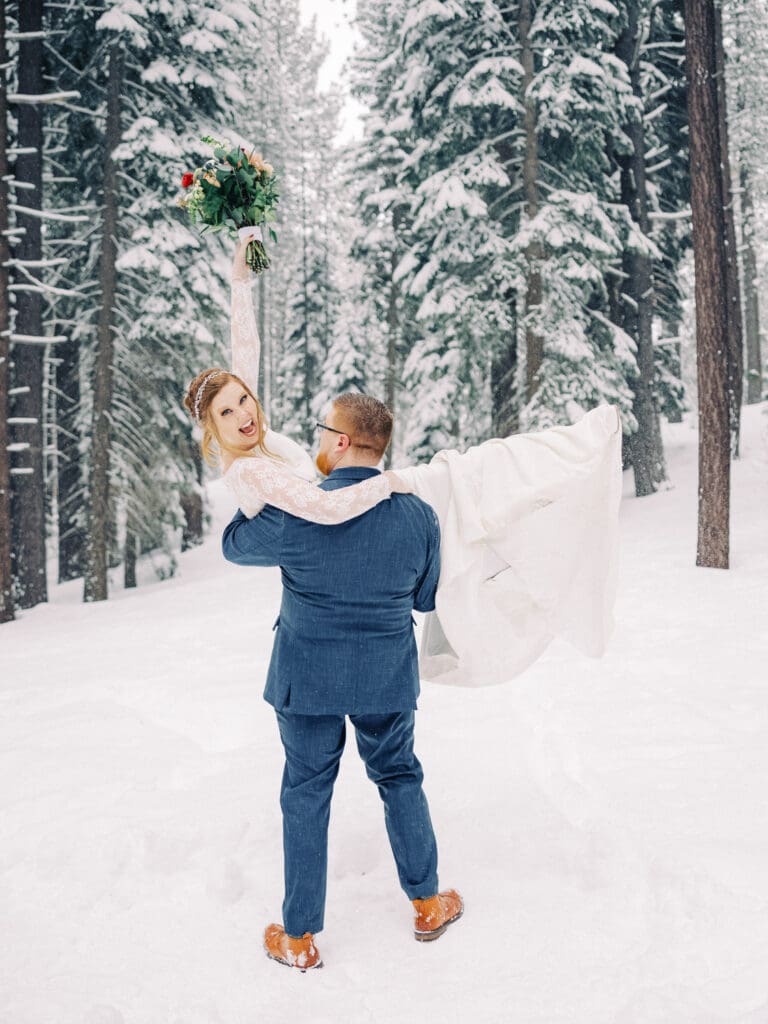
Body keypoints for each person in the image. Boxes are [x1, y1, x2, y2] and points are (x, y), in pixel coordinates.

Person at [184, 234, 623, 691]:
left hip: (322, 512)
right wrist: (388, 482)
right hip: (315, 519)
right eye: (227, 414)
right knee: (447, 487)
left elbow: (245, 349)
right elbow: (324, 509)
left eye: (242, 400)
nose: (244, 415)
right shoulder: (248, 468)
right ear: (213, 429)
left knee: (463, 477)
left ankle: (544, 482)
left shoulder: (254, 434)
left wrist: (240, 277)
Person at [222, 391, 463, 970]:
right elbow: (427, 598)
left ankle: (300, 937)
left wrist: (252, 492)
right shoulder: (418, 514)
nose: (314, 441)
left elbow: (234, 547)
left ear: (341, 442)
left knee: (306, 794)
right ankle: (428, 902)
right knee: (399, 775)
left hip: (306, 679)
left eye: (320, 430)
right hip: (385, 675)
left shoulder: (295, 509)